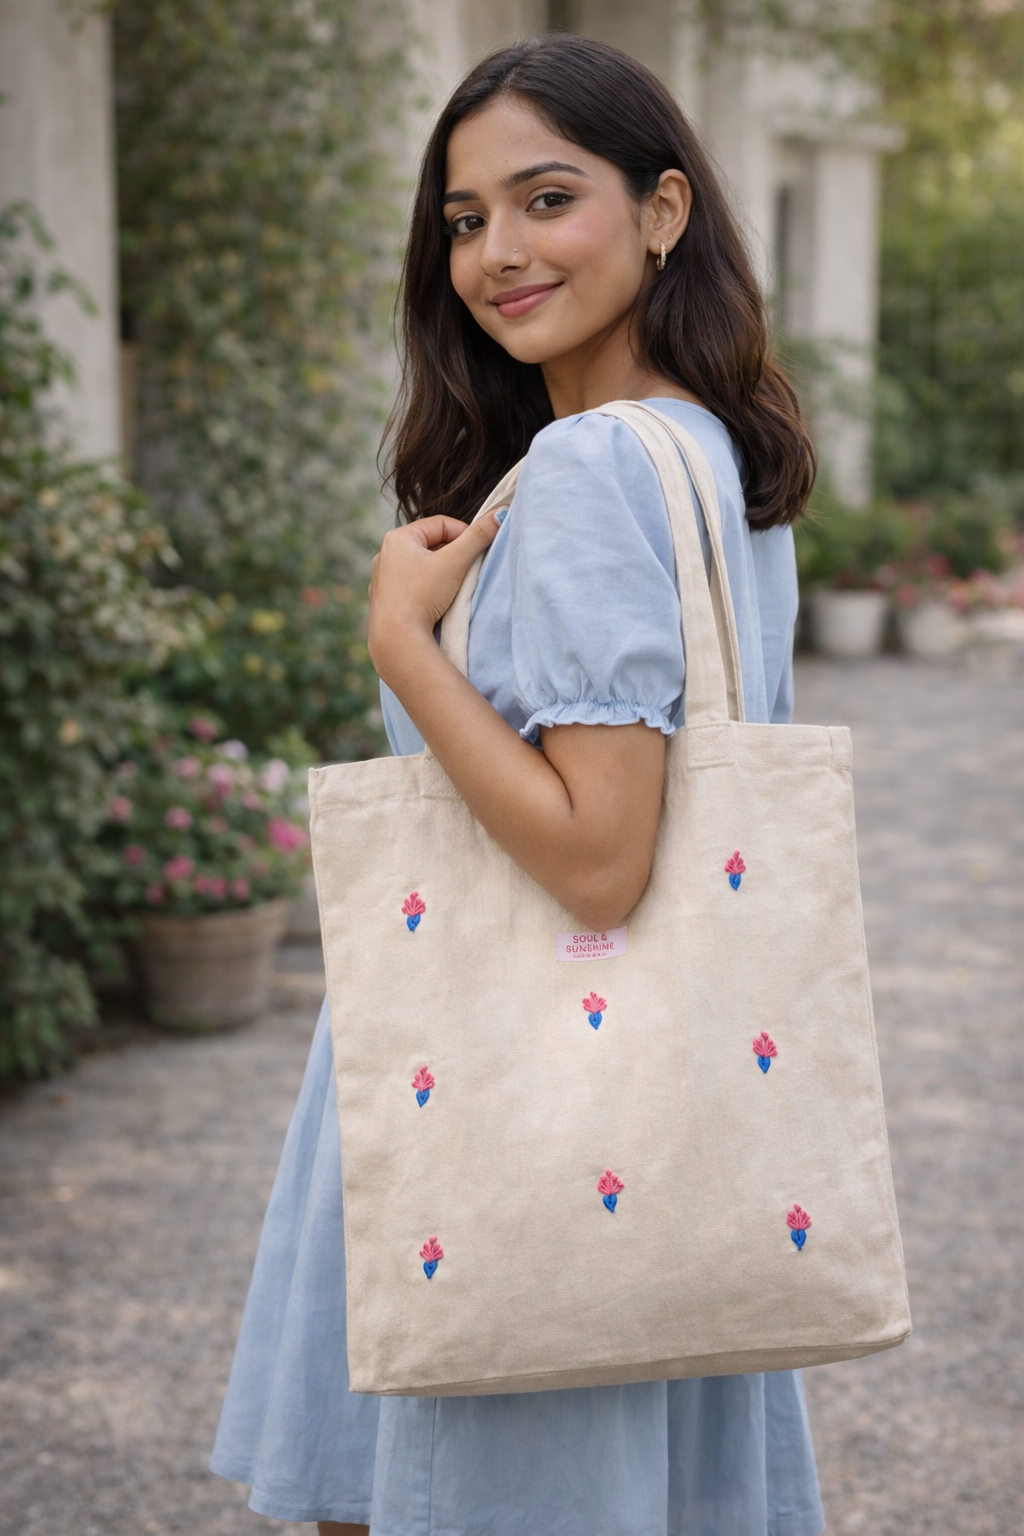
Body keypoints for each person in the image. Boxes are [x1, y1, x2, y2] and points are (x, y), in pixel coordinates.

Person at [210, 33, 826, 1536]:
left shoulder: (590, 472)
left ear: (664, 209)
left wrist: (399, 643)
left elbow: (599, 857)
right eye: (466, 219)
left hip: (501, 1089)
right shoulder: (713, 459)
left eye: (548, 199)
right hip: (655, 1107)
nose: (498, 252)